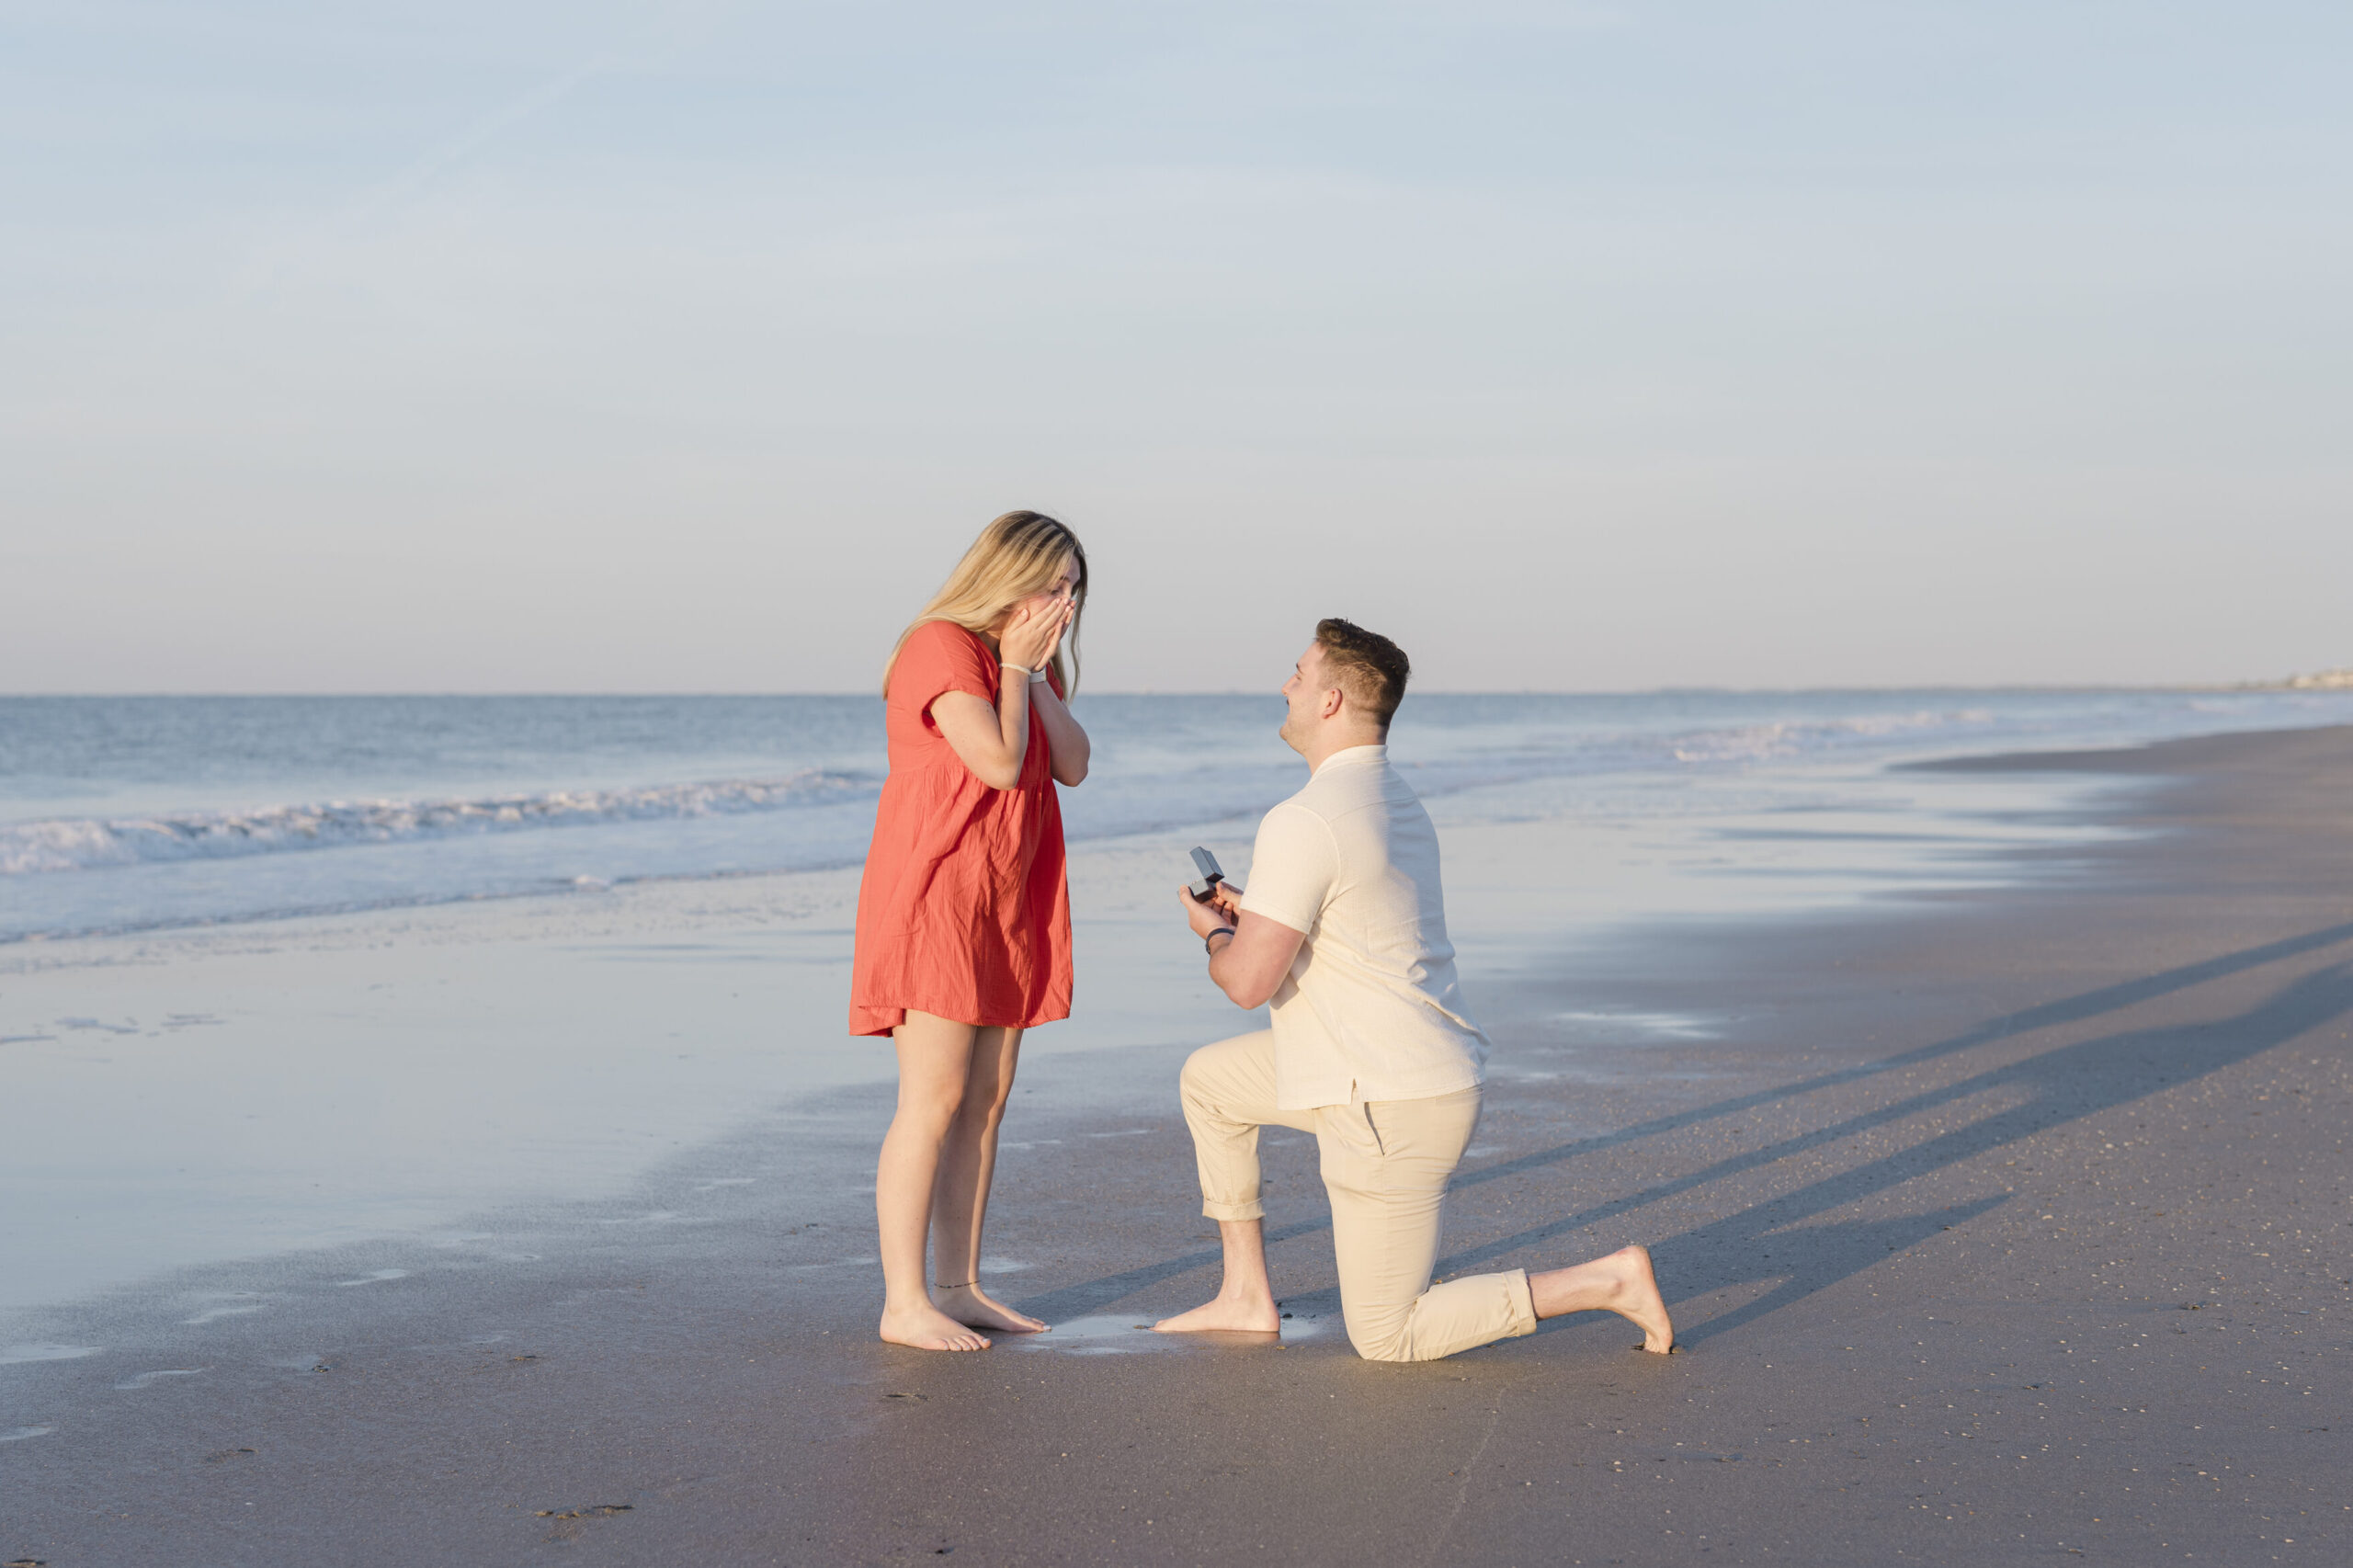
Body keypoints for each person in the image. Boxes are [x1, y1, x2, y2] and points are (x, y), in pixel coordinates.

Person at [1155, 619, 1676, 1362]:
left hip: (1388, 1103)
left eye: (1298, 674)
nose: (1286, 686)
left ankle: (1607, 1282)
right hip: (1390, 1068)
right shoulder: (1393, 800)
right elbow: (1353, 920)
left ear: (1331, 700)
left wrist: (1214, 932)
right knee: (1210, 1082)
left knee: (1387, 1334)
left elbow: (1245, 982)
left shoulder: (1305, 819)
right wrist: (1261, 909)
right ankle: (1245, 1293)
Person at [852, 511, 1091, 1352]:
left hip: (1006, 896)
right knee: (935, 1097)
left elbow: (1072, 763)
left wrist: (1033, 666)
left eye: (1073, 589)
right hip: (938, 895)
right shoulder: (941, 646)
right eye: (1050, 583)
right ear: (1007, 573)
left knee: (986, 1103)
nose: (1062, 602)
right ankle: (903, 1300)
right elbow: (994, 759)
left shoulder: (1023, 659)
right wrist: (1019, 672)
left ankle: (957, 1286)